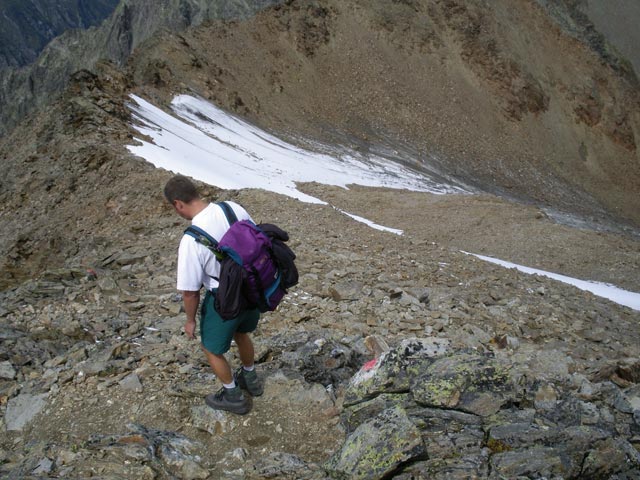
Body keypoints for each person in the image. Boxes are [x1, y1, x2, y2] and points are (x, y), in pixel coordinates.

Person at [164, 174, 263, 415]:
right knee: (242, 333)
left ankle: (233, 395)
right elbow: (257, 239)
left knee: (211, 348)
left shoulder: (191, 239)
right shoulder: (233, 208)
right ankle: (251, 378)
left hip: (224, 299)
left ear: (178, 204)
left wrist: (190, 320)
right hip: (251, 288)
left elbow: (190, 292)